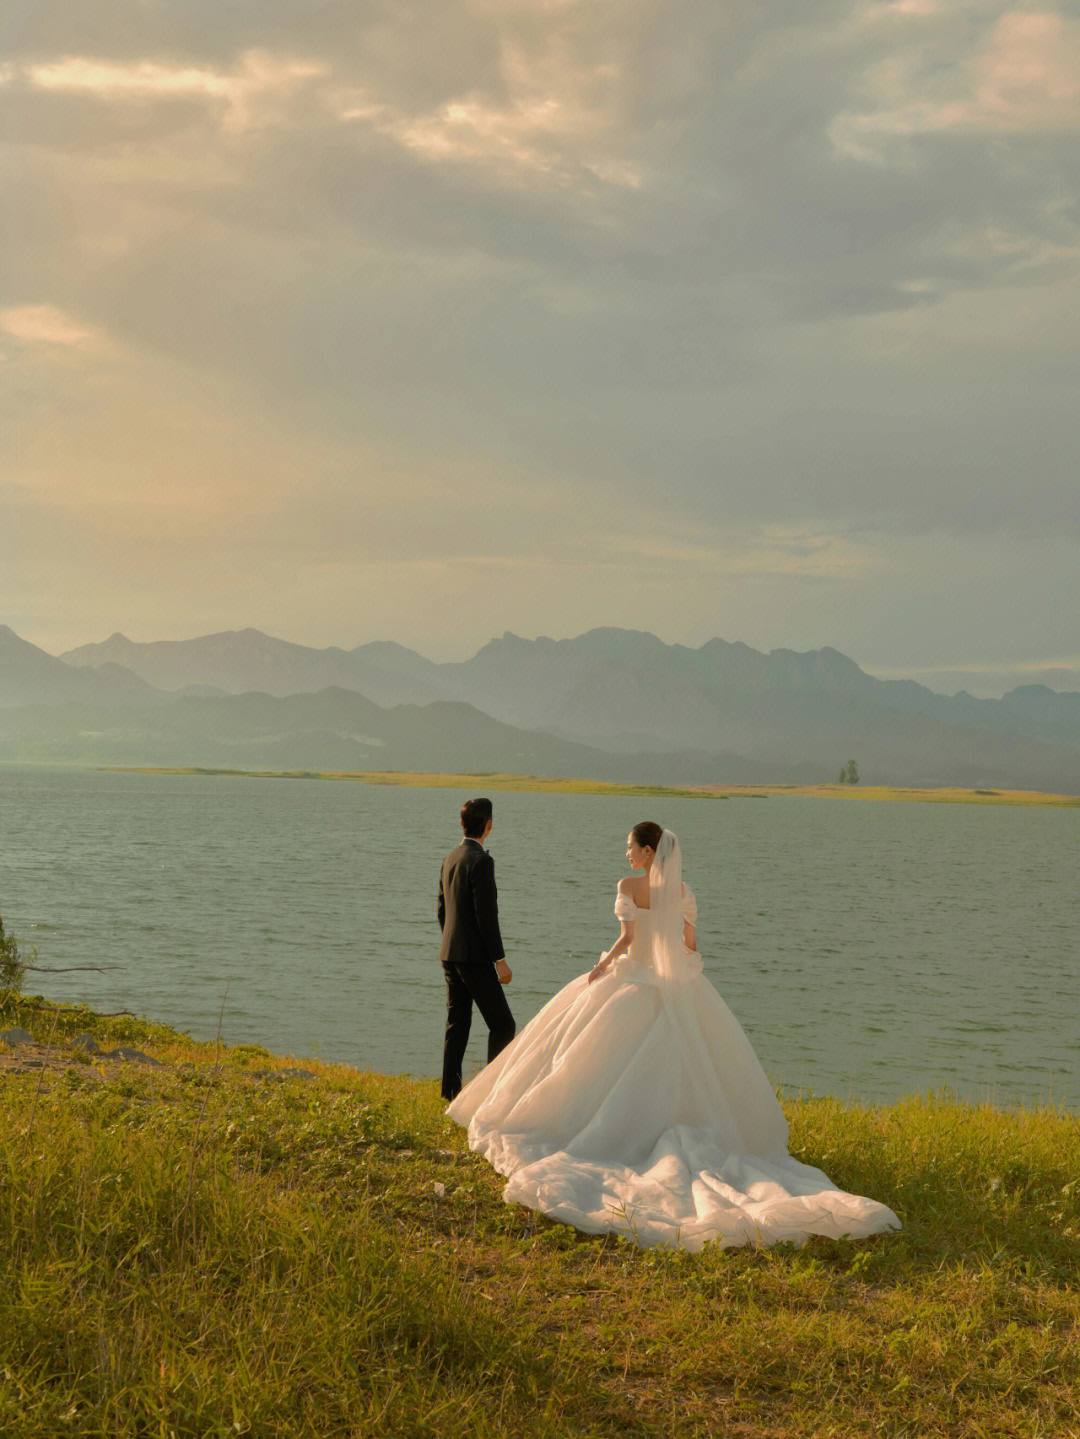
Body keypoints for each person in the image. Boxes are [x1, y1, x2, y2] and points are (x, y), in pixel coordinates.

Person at [446, 822, 901, 1251]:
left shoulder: (628, 888)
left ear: (648, 852)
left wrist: (602, 968)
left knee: (584, 1061)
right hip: (673, 986)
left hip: (632, 981)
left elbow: (626, 939)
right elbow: (689, 946)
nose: (625, 853)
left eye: (630, 847)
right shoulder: (683, 893)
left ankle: (606, 1133)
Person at [438, 797, 516, 1102]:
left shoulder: (450, 857)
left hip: (449, 953)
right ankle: (492, 1096)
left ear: (461, 823)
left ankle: (450, 1094)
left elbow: (442, 910)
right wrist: (500, 961)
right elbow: (487, 916)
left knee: (457, 1025)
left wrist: (451, 942)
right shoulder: (482, 861)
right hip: (474, 958)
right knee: (503, 1025)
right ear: (489, 825)